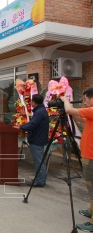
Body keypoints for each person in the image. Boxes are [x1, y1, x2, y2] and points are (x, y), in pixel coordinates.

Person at [61, 88, 93, 232]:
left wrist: (66, 101)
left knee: (92, 188)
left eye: (86, 99)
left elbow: (70, 111)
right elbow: (80, 117)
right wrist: (71, 112)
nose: (84, 102)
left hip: (91, 157)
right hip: (88, 155)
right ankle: (91, 211)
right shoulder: (90, 113)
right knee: (90, 187)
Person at [14, 94, 49, 187]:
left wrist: (20, 127)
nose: (31, 103)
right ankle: (40, 179)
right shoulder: (40, 110)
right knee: (39, 160)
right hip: (38, 138)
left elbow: (33, 124)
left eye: (31, 101)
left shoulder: (39, 112)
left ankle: (40, 181)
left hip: (37, 140)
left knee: (39, 161)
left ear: (34, 102)